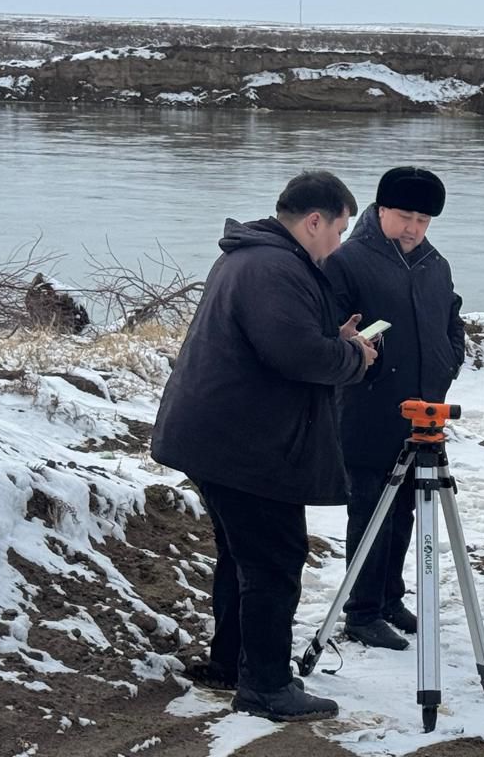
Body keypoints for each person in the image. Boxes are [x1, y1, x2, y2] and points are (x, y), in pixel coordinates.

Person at [151, 170, 377, 722]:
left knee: (243, 555)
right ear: (314, 220)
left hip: (220, 436)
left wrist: (334, 339)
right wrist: (354, 358)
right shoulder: (273, 266)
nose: (339, 244)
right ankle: (267, 686)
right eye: (340, 230)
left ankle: (233, 663)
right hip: (245, 443)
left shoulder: (254, 257)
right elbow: (295, 355)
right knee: (274, 559)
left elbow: (284, 339)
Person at [322, 166, 465, 650]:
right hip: (366, 408)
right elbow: (332, 330)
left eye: (423, 220)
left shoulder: (435, 263)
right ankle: (360, 611)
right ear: (381, 210)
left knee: (405, 508)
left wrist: (450, 359)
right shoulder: (348, 260)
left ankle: (388, 598)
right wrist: (365, 364)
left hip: (423, 409)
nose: (414, 228)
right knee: (369, 510)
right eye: (405, 216)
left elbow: (451, 316)